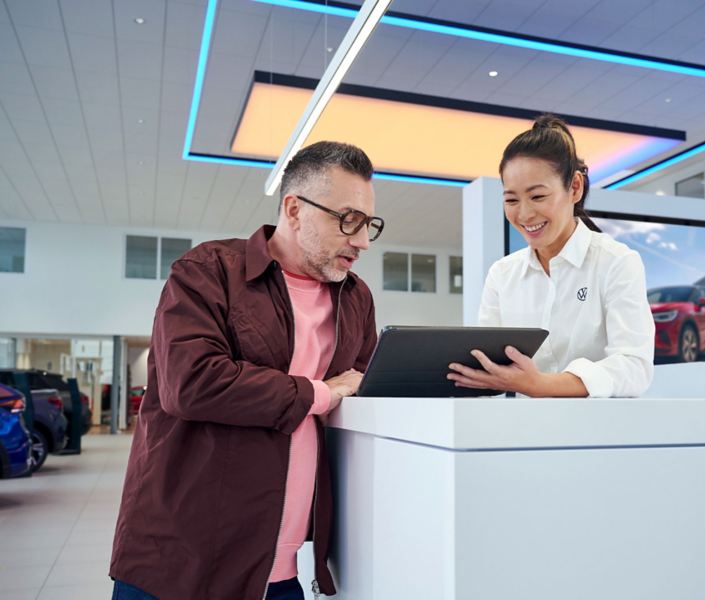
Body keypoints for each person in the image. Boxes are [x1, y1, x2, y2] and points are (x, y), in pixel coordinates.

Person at [109, 141, 384, 599]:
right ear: (294, 209)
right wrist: (320, 392)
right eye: (347, 219)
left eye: (369, 224)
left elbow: (364, 392)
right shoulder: (207, 272)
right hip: (181, 562)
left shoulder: (355, 298)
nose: (361, 240)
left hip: (282, 569)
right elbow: (192, 383)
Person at [448, 115, 654, 397]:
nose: (524, 214)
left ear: (575, 188)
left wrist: (540, 385)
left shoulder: (615, 262)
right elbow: (487, 369)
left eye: (538, 197)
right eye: (511, 200)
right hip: (519, 435)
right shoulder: (502, 274)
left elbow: (634, 368)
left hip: (599, 434)